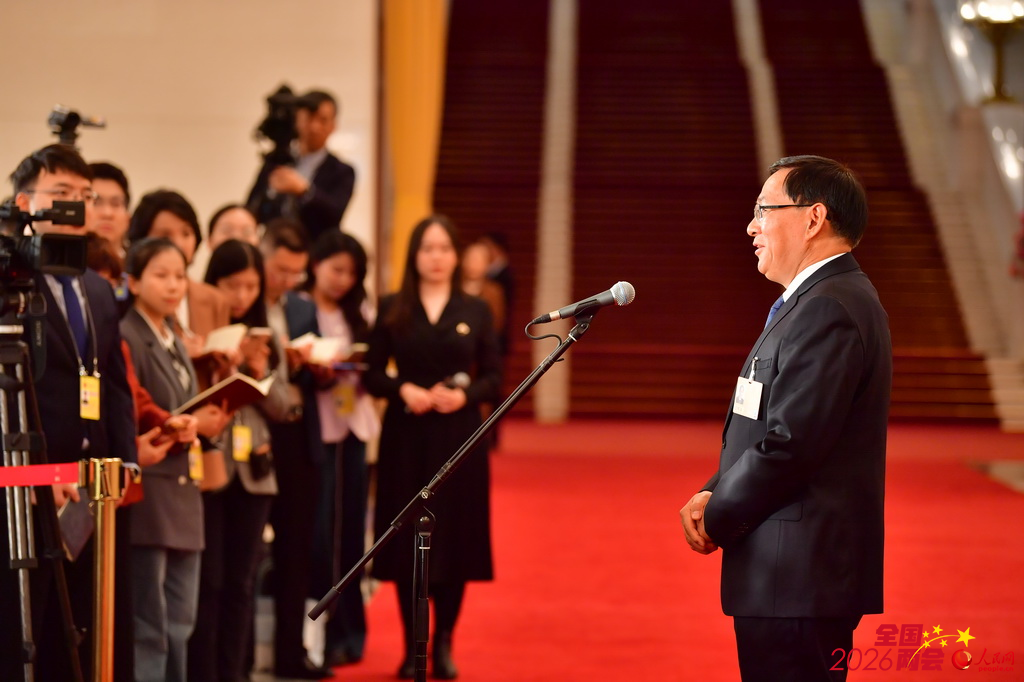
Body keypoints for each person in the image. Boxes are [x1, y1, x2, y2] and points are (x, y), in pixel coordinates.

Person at [679, 155, 892, 682]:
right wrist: (714, 488)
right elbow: (774, 426)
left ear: (813, 219)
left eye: (763, 210)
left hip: (799, 572)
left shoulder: (829, 306)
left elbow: (794, 443)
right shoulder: (815, 299)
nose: (751, 226)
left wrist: (719, 512)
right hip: (791, 570)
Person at [1, 143, 137, 682]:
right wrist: (38, 471)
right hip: (27, 482)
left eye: (85, 197)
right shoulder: (11, 285)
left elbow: (116, 387)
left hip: (91, 484)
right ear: (24, 202)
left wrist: (125, 460)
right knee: (31, 618)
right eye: (61, 196)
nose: (76, 209)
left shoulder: (98, 289)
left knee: (87, 623)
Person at [364, 215, 501, 680]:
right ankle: (411, 646)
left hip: (459, 438)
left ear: (456, 255)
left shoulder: (476, 308)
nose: (437, 257)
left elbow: (495, 377)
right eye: (428, 248)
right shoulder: (391, 307)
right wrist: (402, 388)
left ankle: (444, 641)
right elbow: (372, 373)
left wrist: (465, 395)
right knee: (406, 540)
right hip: (407, 435)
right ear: (414, 256)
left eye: (445, 248)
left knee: (455, 539)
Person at [120, 238, 231, 682]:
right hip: (152, 487)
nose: (172, 285)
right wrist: (185, 423)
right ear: (133, 280)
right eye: (160, 275)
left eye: (180, 276)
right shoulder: (127, 332)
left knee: (181, 620)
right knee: (151, 623)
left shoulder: (174, 336)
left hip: (185, 488)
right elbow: (135, 408)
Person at [189, 239, 288, 682]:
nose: (242, 296)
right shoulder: (195, 334)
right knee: (208, 584)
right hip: (207, 468)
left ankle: (236, 672)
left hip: (255, 473)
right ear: (215, 283)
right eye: (233, 285)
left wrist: (258, 371)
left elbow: (285, 406)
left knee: (241, 585)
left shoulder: (266, 338)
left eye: (251, 286)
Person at [303, 230, 380, 667]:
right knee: (320, 533)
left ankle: (352, 630)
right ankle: (322, 632)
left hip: (353, 427)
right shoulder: (300, 307)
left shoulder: (361, 310)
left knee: (353, 532)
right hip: (319, 428)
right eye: (336, 269)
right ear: (316, 265)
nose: (342, 280)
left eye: (351, 273)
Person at [260, 218, 332, 679]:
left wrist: (316, 368)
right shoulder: (242, 302)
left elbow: (311, 373)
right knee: (247, 554)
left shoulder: (303, 309)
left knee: (297, 551)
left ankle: (292, 653)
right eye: (280, 269)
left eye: (296, 273)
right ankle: (242, 655)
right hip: (257, 437)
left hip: (298, 435)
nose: (287, 280)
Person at [128, 189, 232, 386]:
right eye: (165, 236)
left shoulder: (215, 299)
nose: (178, 244)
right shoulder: (127, 297)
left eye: (186, 233)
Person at [246, 89, 355, 242]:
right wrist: (271, 192)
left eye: (322, 120)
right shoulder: (276, 160)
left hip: (316, 252)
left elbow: (334, 215)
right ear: (297, 120)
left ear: (333, 125)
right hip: (273, 247)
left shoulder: (343, 171)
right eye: (309, 118)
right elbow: (251, 208)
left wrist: (304, 191)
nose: (314, 127)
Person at [87, 161, 132, 257]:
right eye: (96, 203)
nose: (107, 213)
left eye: (116, 204)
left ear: (128, 217)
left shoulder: (140, 267)